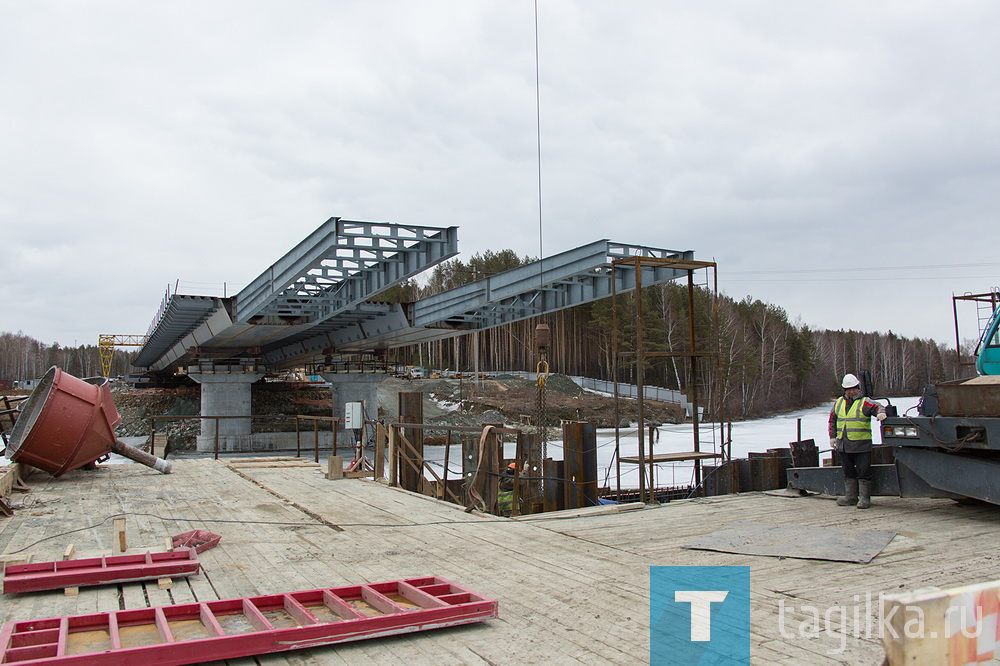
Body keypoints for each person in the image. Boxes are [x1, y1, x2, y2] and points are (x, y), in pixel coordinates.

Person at [829, 373, 886, 509]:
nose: (851, 391)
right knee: (848, 471)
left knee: (863, 472)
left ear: (858, 388)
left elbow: (877, 406)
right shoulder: (839, 403)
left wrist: (880, 413)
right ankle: (851, 497)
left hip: (861, 445)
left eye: (854, 388)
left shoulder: (864, 402)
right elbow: (833, 420)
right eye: (848, 389)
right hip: (844, 444)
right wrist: (832, 436)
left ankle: (865, 498)